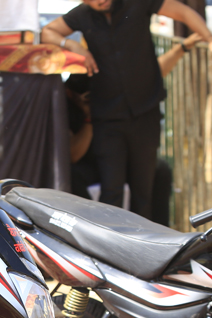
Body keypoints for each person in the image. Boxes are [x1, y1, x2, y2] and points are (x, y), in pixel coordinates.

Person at [42, 0, 212, 219]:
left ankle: (144, 239)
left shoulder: (137, 3)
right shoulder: (81, 15)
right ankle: (108, 239)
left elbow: (184, 12)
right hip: (107, 117)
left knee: (144, 192)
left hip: (145, 113)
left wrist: (210, 39)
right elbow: (47, 32)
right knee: (111, 191)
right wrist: (73, 45)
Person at [66, 34, 201, 225]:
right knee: (91, 183)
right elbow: (73, 155)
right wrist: (89, 116)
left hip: (119, 153)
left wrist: (181, 48)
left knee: (158, 171)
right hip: (91, 162)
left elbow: (154, 74)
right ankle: (90, 228)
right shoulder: (66, 105)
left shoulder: (115, 86)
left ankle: (159, 229)